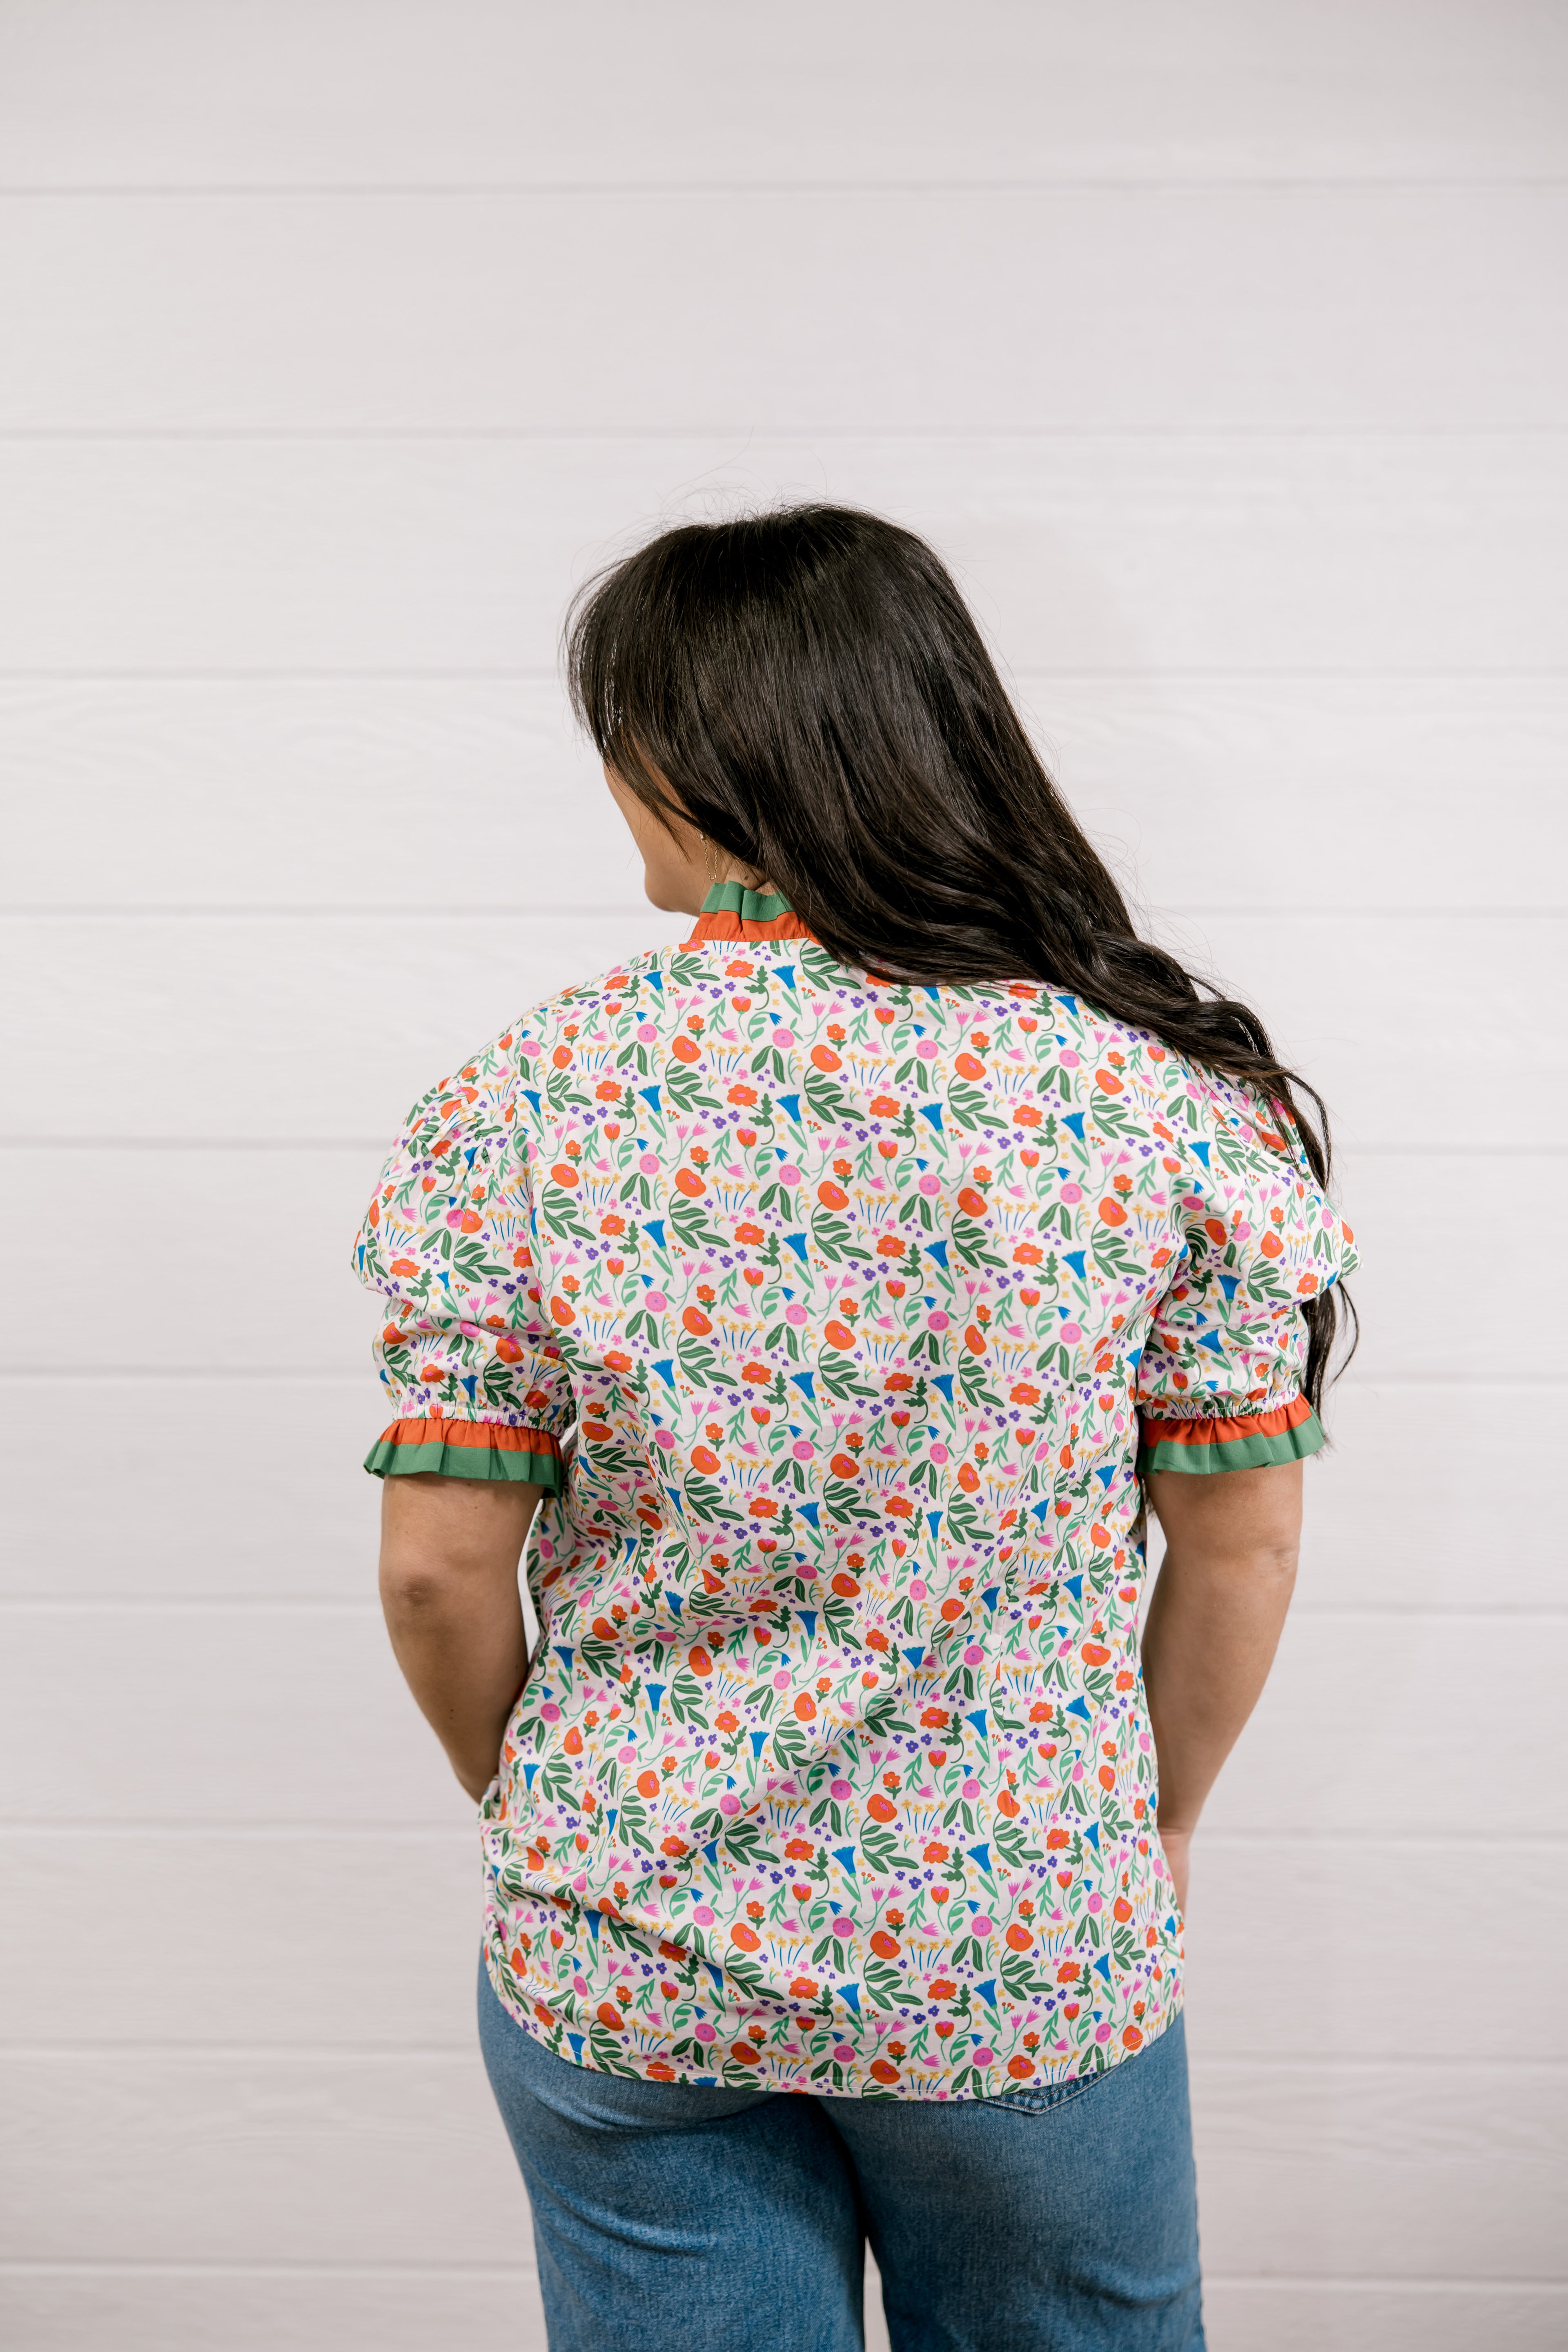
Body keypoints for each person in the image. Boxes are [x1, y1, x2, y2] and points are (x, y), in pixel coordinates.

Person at [353, 506, 1356, 2351]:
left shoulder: (524, 1104)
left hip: (630, 1941)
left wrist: (558, 1805)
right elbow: (1248, 1541)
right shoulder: (1151, 1097)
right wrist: (1150, 1825)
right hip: (1018, 1940)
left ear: (682, 753)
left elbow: (435, 1570)